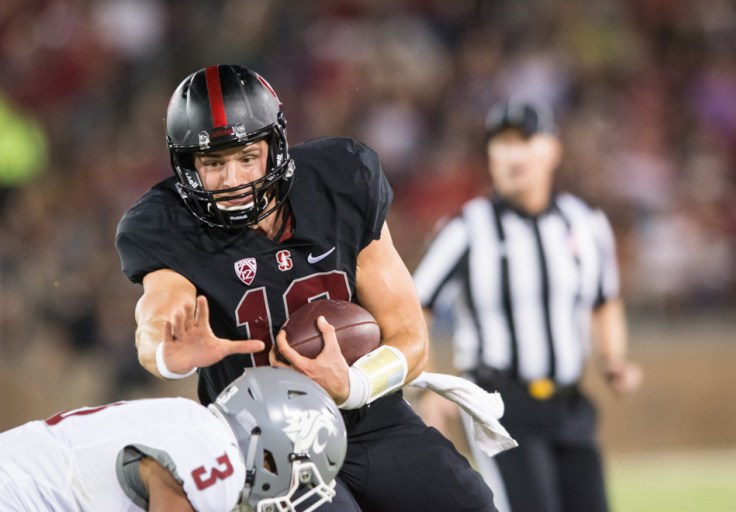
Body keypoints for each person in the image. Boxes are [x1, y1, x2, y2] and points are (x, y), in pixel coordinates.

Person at [115, 64, 497, 512]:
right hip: (265, 440)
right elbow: (157, 312)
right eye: (213, 164)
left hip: (370, 416)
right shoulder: (167, 222)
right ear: (187, 167)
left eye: (246, 157)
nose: (233, 179)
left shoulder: (341, 181)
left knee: (471, 503)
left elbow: (411, 339)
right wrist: (166, 351)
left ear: (275, 147)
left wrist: (352, 384)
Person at [412, 99, 644, 512]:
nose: (512, 153)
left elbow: (605, 301)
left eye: (524, 140)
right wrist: (425, 385)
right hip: (499, 402)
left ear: (552, 149)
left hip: (569, 402)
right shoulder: (467, 228)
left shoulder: (586, 222)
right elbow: (412, 309)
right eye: (501, 143)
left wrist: (613, 359)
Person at [0, 366, 347, 512]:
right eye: (299, 475)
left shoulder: (195, 425)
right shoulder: (219, 456)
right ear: (273, 453)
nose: (290, 492)